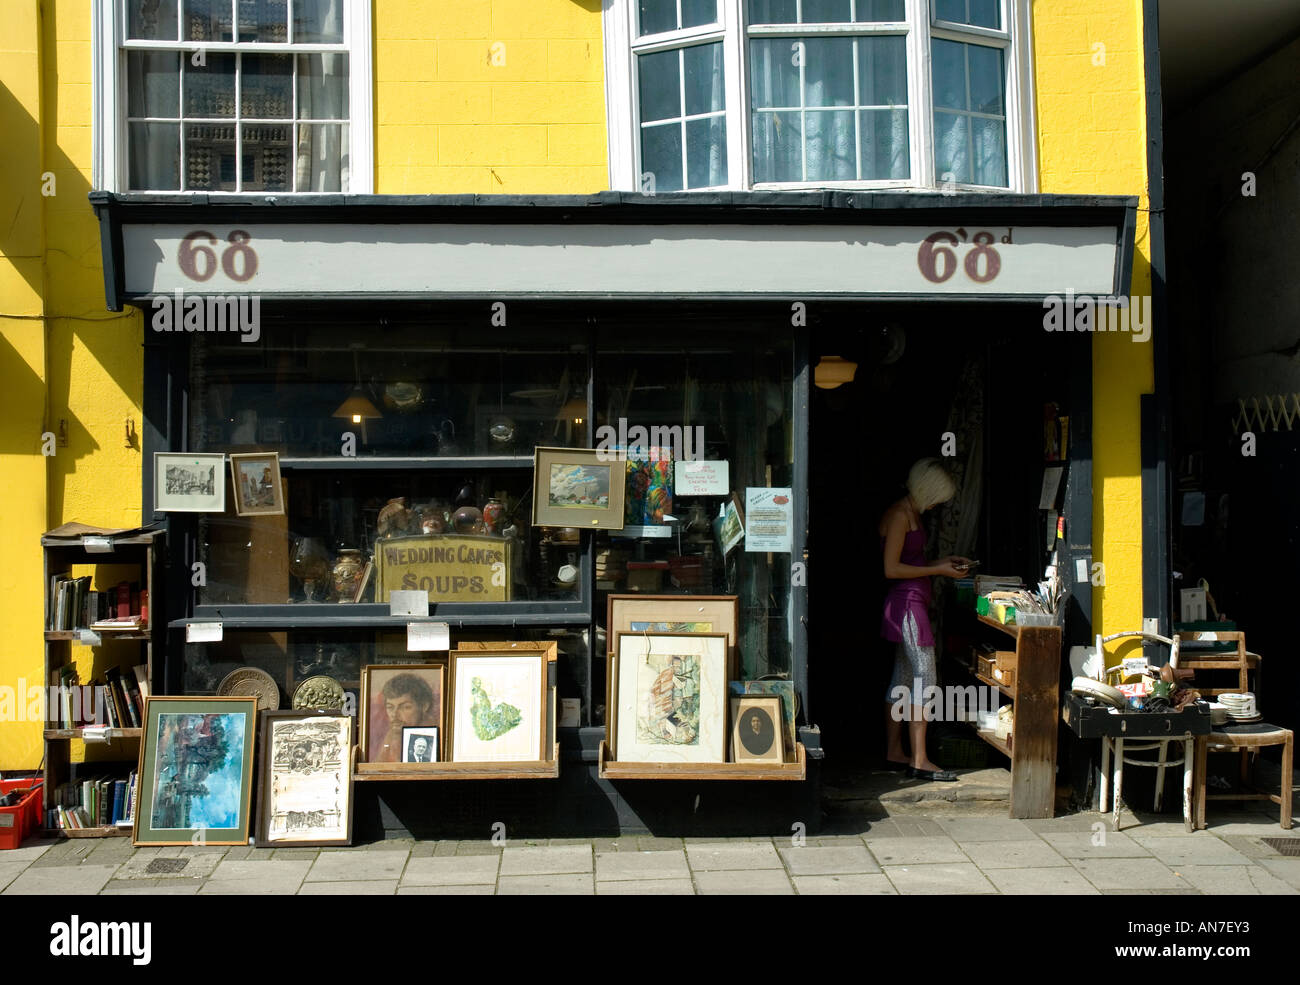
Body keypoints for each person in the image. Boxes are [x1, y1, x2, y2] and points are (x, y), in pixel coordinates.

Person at [879, 458, 971, 781]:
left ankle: (895, 752)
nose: (937, 505)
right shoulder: (899, 515)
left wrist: (943, 562)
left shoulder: (911, 512)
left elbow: (909, 561)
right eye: (938, 497)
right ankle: (919, 759)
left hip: (912, 602)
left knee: (903, 677)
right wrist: (937, 570)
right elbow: (891, 569)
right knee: (925, 677)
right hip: (907, 606)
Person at [373, 673, 436, 763]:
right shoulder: (391, 734)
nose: (394, 714)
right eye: (390, 707)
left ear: (424, 706)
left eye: (405, 707)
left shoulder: (430, 734)